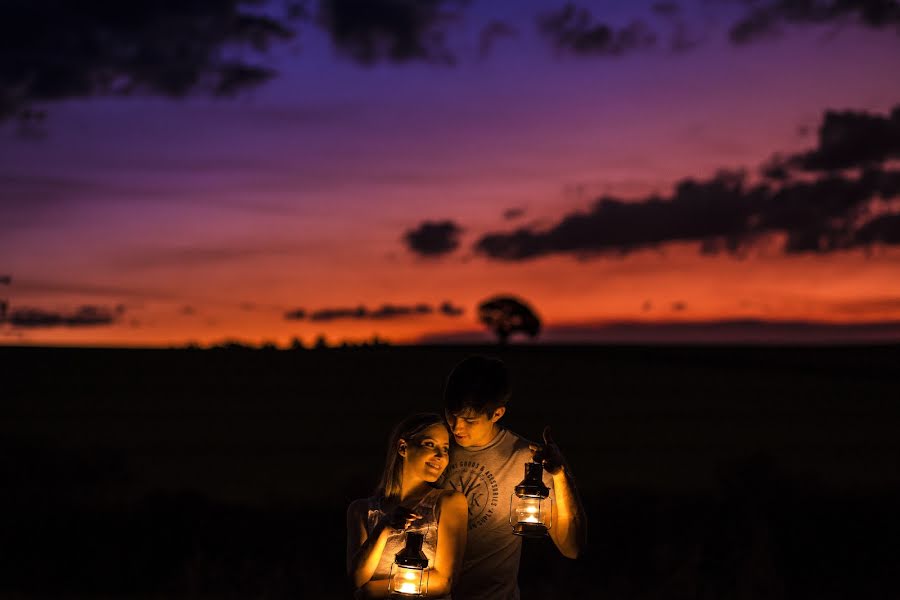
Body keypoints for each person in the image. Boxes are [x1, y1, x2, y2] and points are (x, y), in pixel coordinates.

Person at [442, 356, 587, 600]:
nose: (457, 427)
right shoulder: (434, 450)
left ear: (497, 413)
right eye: (451, 415)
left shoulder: (526, 461)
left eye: (469, 420)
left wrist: (561, 475)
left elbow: (571, 547)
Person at [347, 413, 468, 599]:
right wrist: (384, 527)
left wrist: (373, 590)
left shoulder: (449, 503)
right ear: (403, 447)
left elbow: (445, 582)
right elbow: (357, 579)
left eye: (445, 449)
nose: (440, 456)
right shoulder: (362, 510)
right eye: (430, 444)